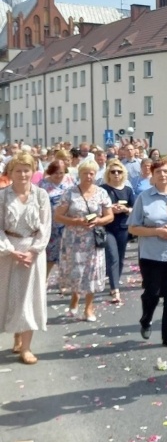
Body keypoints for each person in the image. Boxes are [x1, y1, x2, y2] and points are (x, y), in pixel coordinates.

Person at [129, 160, 167, 347]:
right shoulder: (144, 198)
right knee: (152, 293)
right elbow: (133, 228)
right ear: (152, 175)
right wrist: (157, 231)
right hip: (152, 254)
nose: (163, 175)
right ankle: (146, 319)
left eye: (166, 171)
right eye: (158, 172)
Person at [0, 153, 52, 364]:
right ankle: (15, 335)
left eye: (26, 170)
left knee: (30, 298)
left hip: (33, 251)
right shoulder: (2, 196)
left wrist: (33, 251)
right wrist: (10, 250)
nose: (22, 174)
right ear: (10, 173)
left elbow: (46, 226)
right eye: (18, 170)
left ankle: (26, 347)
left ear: (33, 172)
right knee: (7, 295)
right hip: (7, 251)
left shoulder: (40, 196)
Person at [54, 159, 113, 321]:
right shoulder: (70, 192)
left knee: (92, 272)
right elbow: (58, 216)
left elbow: (110, 216)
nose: (88, 176)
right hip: (73, 239)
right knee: (76, 271)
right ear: (79, 174)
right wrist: (75, 221)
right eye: (85, 173)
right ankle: (75, 297)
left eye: (91, 173)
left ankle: (89, 307)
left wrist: (98, 221)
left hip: (93, 239)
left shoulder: (102, 193)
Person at [101, 159, 135, 305]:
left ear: (123, 173)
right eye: (113, 171)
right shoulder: (103, 189)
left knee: (120, 257)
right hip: (107, 227)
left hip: (122, 227)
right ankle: (115, 289)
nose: (116, 174)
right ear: (108, 173)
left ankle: (114, 280)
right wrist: (110, 210)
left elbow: (135, 209)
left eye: (119, 171)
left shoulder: (127, 190)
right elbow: (97, 208)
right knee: (113, 256)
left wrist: (126, 209)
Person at [39, 158, 74, 282]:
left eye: (61, 173)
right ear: (50, 172)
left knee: (67, 254)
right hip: (50, 225)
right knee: (50, 255)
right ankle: (44, 279)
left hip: (67, 223)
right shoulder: (43, 184)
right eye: (56, 173)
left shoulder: (70, 181)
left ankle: (64, 281)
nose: (59, 176)